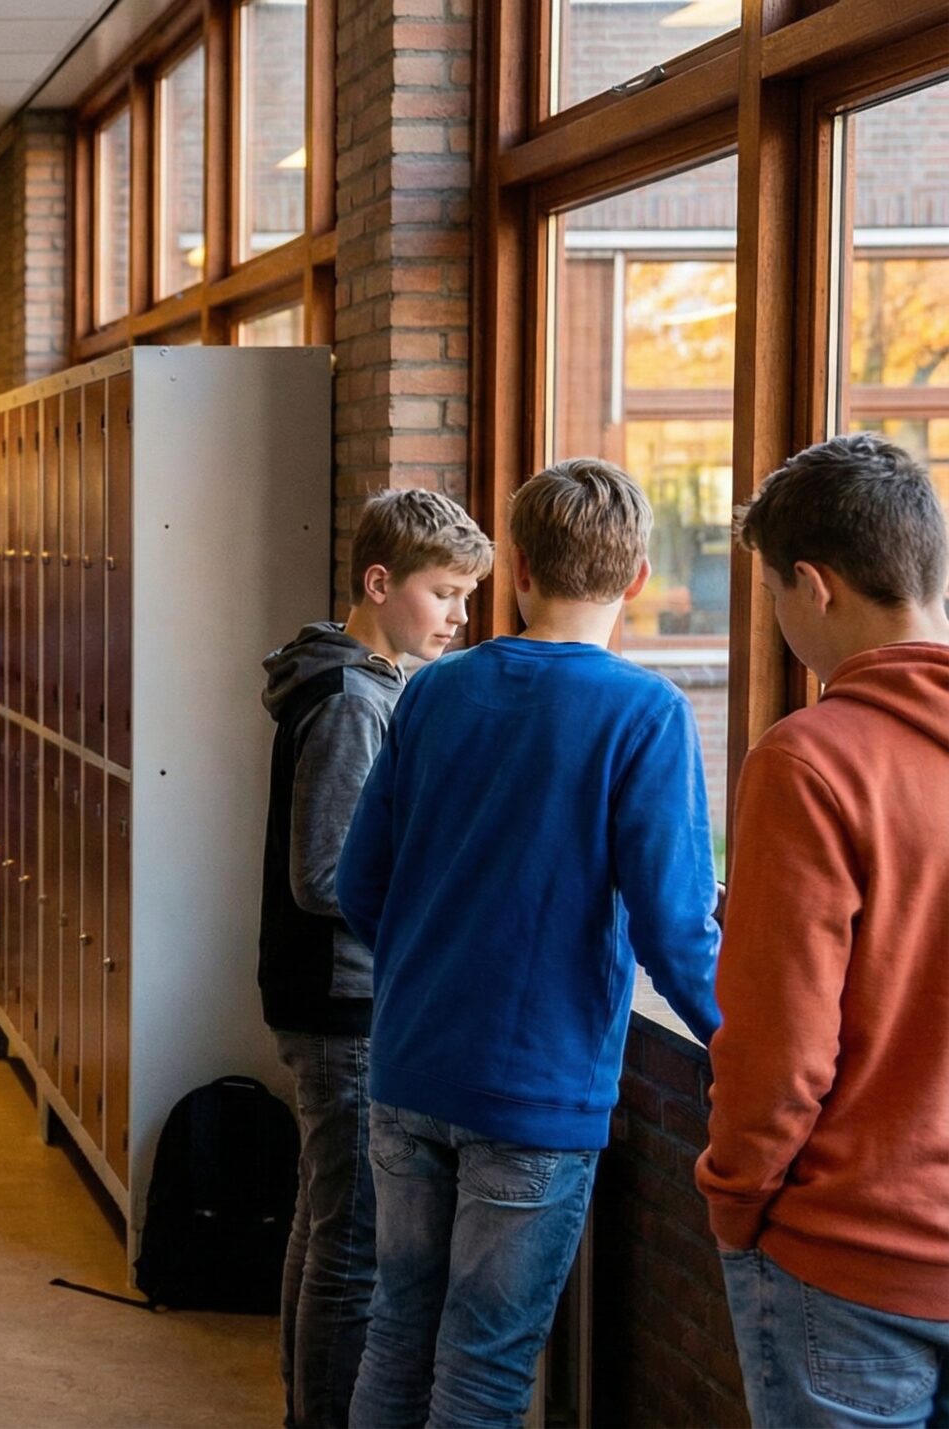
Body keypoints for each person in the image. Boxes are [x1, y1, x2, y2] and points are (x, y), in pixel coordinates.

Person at [337, 459, 721, 1429]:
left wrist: (429, 964)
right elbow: (676, 929)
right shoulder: (644, 713)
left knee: (396, 1332)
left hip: (409, 1065)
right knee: (483, 1368)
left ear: (517, 566)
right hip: (535, 1089)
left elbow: (359, 882)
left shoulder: (432, 692)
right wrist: (742, 1041)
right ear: (638, 578)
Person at [697, 434, 949, 1427]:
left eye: (771, 592)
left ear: (812, 585)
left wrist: (733, 1199)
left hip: (849, 1259)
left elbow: (781, 1046)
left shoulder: (810, 762)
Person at [258, 489, 490, 1429]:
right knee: (351, 1249)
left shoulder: (364, 681)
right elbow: (324, 874)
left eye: (468, 596)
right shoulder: (356, 701)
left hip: (330, 995)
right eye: (445, 593)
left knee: (323, 1226)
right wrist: (436, 917)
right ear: (381, 582)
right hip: (343, 1001)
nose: (459, 616)